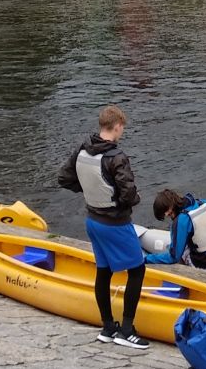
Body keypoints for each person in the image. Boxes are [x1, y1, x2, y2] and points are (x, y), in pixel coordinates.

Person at [58, 105, 149, 350]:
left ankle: (108, 327)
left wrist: (89, 191)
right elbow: (128, 193)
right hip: (115, 223)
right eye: (122, 129)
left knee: (104, 271)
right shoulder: (116, 157)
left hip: (93, 220)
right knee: (137, 271)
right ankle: (127, 330)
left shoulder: (82, 149)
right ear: (117, 126)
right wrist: (130, 200)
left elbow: (64, 178)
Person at [144, 189, 206, 272]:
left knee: (177, 252)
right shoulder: (204, 203)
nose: (168, 216)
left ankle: (183, 279)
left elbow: (174, 257)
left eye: (167, 215)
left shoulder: (180, 221)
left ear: (169, 210)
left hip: (204, 266)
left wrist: (147, 259)